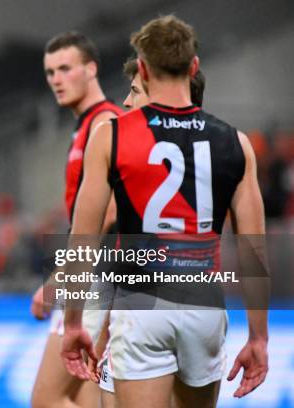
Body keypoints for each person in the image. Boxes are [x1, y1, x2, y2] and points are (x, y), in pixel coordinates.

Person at [62, 15, 268, 408]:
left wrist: (73, 322)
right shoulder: (237, 143)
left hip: (141, 304)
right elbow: (253, 251)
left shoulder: (112, 135)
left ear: (142, 68)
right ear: (194, 68)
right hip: (204, 304)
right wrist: (259, 337)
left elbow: (83, 240)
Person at [97, 58, 207, 408]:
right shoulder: (219, 150)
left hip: (142, 307)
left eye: (134, 91)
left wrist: (96, 325)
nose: (126, 102)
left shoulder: (131, 155)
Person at [30, 31, 123, 408]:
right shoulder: (90, 125)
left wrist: (60, 277)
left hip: (97, 275)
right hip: (108, 276)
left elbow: (113, 210)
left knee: (47, 398)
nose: (56, 79)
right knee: (87, 395)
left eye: (65, 68)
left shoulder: (106, 124)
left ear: (91, 69)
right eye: (51, 71)